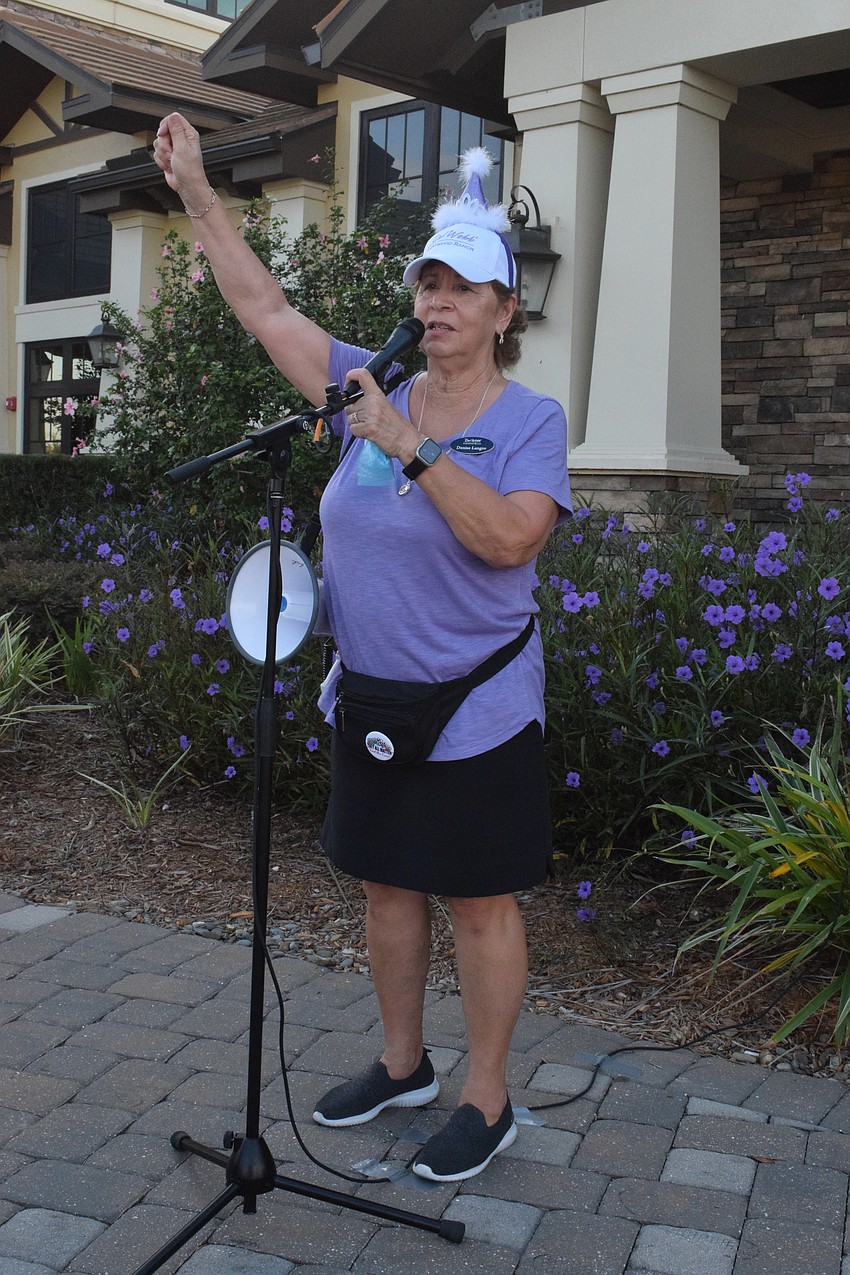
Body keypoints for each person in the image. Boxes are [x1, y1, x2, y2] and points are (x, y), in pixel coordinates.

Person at [153, 113, 571, 1183]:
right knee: (387, 885)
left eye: (462, 286)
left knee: (477, 901)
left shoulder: (529, 421)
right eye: (427, 282)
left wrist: (410, 443)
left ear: (504, 310)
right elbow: (264, 306)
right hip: (371, 698)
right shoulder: (363, 386)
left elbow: (509, 539)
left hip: (477, 705)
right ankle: (402, 1064)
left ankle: (487, 1097)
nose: (437, 301)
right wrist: (197, 192)